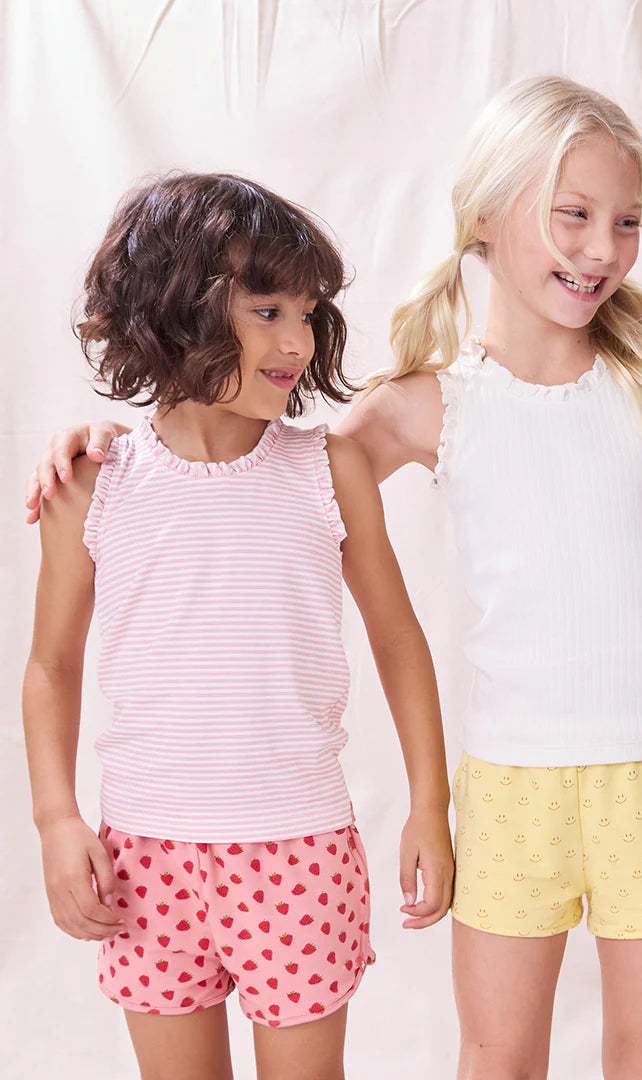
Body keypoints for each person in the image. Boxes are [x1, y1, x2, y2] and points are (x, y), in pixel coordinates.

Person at [25, 80, 642, 1080]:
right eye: (573, 215)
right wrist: (114, 443)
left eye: (626, 221)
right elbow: (252, 470)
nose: (603, 248)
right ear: (484, 216)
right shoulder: (424, 406)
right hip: (510, 786)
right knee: (497, 1055)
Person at [22, 173, 453, 1080]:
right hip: (144, 859)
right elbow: (51, 666)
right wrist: (57, 819)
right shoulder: (93, 485)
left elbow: (400, 641)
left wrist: (430, 803)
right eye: (267, 311)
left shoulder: (329, 470)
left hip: (300, 853)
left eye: (307, 314)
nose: (297, 341)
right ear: (173, 309)